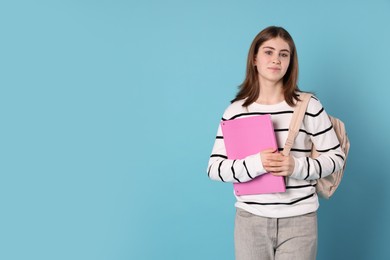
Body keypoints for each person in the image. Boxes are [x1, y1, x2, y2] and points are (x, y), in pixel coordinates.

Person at [206, 26, 346, 260]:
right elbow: (214, 168)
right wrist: (257, 163)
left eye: (284, 54)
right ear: (254, 59)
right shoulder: (235, 111)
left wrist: (296, 167)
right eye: (268, 52)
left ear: (291, 61)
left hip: (300, 221)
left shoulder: (309, 106)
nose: (276, 60)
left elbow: (336, 157)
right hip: (250, 221)